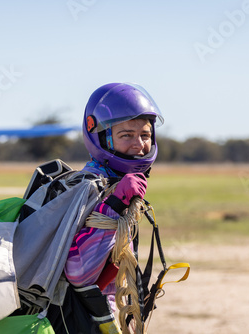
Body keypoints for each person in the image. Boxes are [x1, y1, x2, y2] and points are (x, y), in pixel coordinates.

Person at [56, 82, 164, 332]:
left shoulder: (115, 182)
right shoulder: (90, 188)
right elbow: (79, 274)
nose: (139, 144)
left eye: (145, 135)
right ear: (101, 138)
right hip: (81, 320)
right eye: (126, 135)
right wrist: (114, 204)